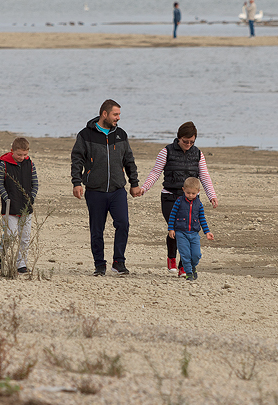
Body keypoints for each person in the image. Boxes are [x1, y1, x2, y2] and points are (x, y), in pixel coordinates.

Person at [71, 99, 143, 276]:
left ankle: (119, 262)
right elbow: (77, 159)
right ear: (105, 114)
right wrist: (76, 182)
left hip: (117, 190)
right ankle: (99, 265)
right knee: (97, 229)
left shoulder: (121, 135)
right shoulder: (85, 135)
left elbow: (129, 160)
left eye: (118, 115)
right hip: (95, 190)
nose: (118, 118)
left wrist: (134, 183)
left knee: (123, 224)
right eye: (115, 114)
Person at [140, 121, 218, 276]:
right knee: (176, 229)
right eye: (185, 141)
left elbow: (204, 176)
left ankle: (184, 266)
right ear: (178, 138)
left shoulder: (198, 154)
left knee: (187, 231)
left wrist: (212, 196)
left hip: (191, 199)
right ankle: (171, 258)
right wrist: (144, 188)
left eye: (191, 142)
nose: (188, 144)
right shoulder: (166, 152)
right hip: (170, 197)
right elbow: (155, 172)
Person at [0, 137, 38, 275]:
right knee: (11, 234)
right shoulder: (4, 165)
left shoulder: (30, 164)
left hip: (26, 207)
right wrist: (6, 198)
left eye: (25, 155)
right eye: (19, 154)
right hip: (10, 207)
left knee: (25, 236)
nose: (22, 157)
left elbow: (35, 184)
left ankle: (21, 264)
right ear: (12, 151)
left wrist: (32, 197)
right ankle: (0, 254)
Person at [167, 177, 213, 281]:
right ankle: (188, 273)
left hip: (194, 233)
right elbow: (172, 215)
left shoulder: (199, 204)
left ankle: (193, 267)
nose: (191, 195)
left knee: (196, 255)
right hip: (181, 233)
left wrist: (207, 231)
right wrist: (171, 229)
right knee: (185, 254)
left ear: (198, 192)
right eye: (188, 193)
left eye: (193, 193)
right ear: (183, 190)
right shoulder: (179, 201)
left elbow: (202, 218)